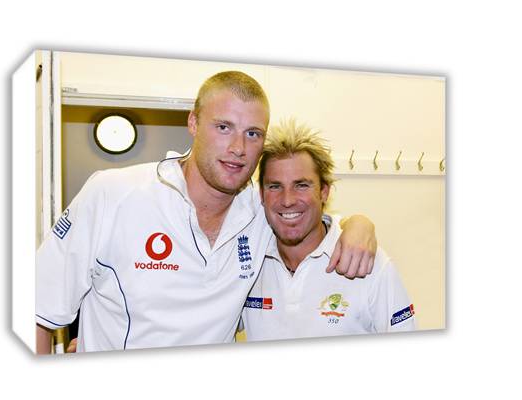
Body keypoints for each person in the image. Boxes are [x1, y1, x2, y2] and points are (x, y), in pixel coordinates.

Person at [36, 71, 377, 353]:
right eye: (223, 127)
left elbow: (311, 216)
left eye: (252, 133)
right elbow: (37, 312)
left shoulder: (260, 212)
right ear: (194, 123)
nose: (238, 148)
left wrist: (360, 224)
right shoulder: (113, 193)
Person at [240, 119, 416, 342]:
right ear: (262, 195)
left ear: (324, 192)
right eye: (275, 186)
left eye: (301, 185)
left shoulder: (371, 264)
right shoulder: (247, 262)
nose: (287, 200)